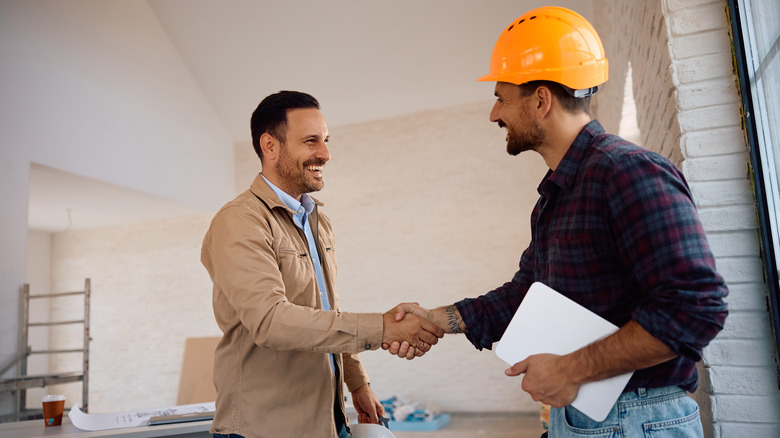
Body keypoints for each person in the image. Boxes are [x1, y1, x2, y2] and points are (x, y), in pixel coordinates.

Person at [387, 6, 728, 437]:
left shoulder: (626, 172)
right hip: (585, 415)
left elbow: (696, 306)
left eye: (501, 98)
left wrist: (571, 369)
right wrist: (437, 318)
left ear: (541, 100)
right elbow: (524, 295)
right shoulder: (560, 193)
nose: (494, 114)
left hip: (636, 418)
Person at [201, 90, 444, 438]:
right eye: (311, 141)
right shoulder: (240, 220)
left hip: (328, 421)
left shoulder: (317, 220)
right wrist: (384, 328)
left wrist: (358, 382)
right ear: (269, 146)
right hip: (264, 429)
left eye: (326, 140)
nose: (326, 154)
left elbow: (326, 310)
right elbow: (270, 321)